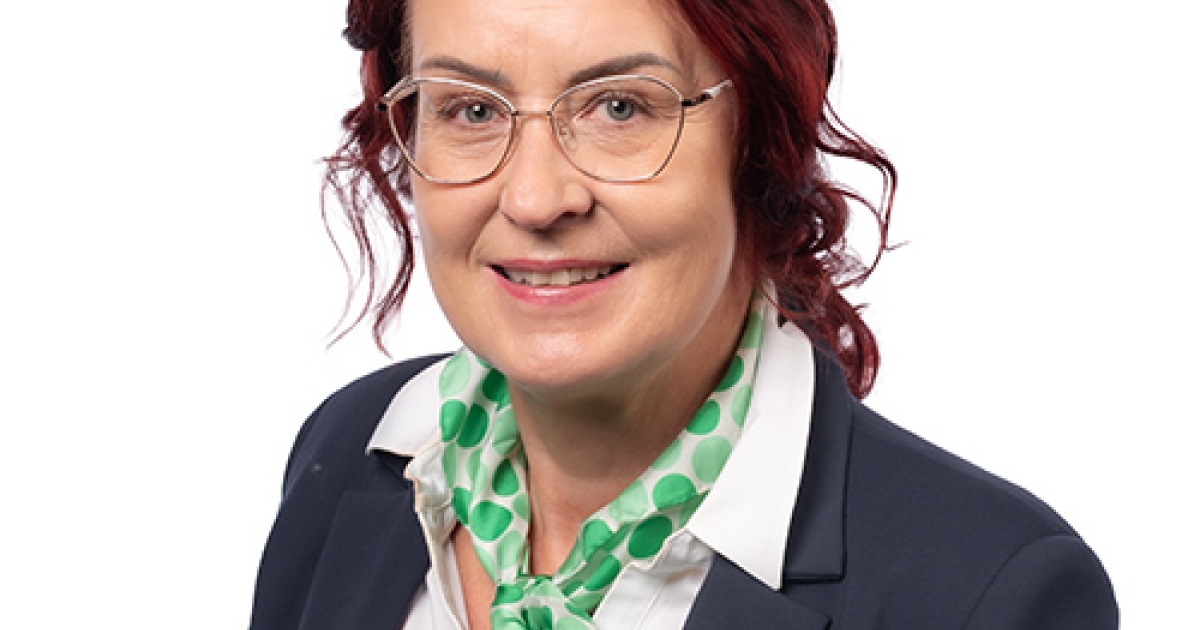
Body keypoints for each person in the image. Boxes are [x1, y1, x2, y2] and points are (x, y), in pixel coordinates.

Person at [249, 0, 1119, 628]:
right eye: (471, 110)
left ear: (759, 140)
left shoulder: (987, 594)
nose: (536, 197)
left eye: (620, 107)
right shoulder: (350, 452)